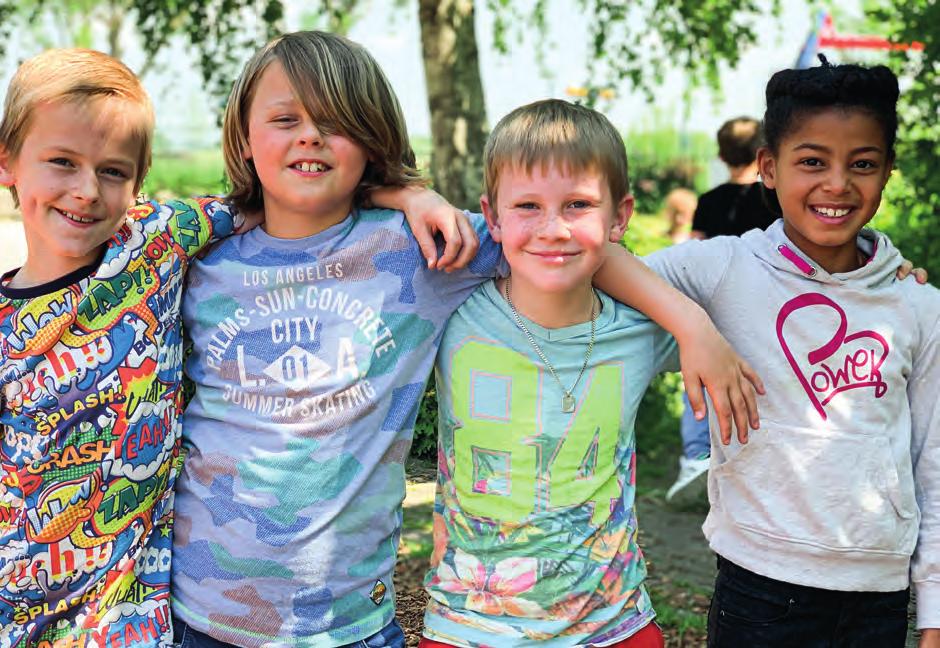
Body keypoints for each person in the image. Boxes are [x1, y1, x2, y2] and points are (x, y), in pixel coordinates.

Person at [170, 32, 765, 648]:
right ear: (242, 135)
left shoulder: (416, 250)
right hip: (202, 609)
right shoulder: (197, 257)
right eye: (285, 119)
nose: (310, 136)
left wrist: (691, 325)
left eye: (337, 122)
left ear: (372, 140)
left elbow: (566, 244)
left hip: (345, 623)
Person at [0, 47, 471, 647]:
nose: (87, 190)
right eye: (62, 162)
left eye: (114, 171)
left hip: (163, 620)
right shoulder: (166, 258)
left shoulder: (156, 245)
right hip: (106, 614)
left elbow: (541, 237)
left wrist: (407, 194)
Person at [624, 58, 940, 646]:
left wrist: (934, 610)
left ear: (887, 172)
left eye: (863, 164)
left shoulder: (918, 305)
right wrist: (692, 325)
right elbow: (600, 263)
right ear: (768, 167)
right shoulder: (721, 269)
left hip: (879, 596)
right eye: (812, 161)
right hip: (758, 587)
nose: (838, 184)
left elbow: (933, 461)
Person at [419, 98, 696, 647]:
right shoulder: (446, 307)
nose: (552, 228)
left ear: (620, 216)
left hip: (614, 627)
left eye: (578, 204)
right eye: (526, 205)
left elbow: (769, 294)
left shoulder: (647, 326)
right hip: (468, 628)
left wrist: (886, 275)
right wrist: (411, 193)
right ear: (491, 217)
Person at [666, 116, 782, 502]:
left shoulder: (711, 198)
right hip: (766, 301)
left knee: (698, 376)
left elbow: (693, 251)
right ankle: (752, 458)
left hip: (713, 303)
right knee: (761, 378)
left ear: (720, 154)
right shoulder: (773, 198)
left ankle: (697, 456)